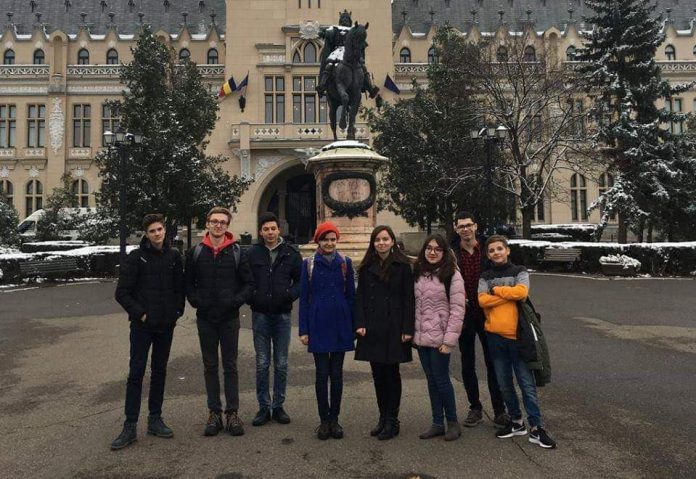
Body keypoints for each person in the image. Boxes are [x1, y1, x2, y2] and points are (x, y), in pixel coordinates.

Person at [112, 213, 184, 450]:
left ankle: (155, 418)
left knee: (159, 372)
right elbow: (122, 293)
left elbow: (179, 288)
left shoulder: (174, 256)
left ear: (165, 230)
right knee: (136, 373)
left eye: (159, 229)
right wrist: (141, 314)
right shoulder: (136, 258)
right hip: (142, 327)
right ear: (146, 234)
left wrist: (177, 312)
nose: (157, 234)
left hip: (165, 325)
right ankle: (130, 424)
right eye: (152, 231)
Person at [478, 235, 557, 449]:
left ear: (507, 250)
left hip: (518, 337)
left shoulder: (519, 271)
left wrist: (497, 291)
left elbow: (522, 293)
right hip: (495, 337)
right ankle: (516, 422)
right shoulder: (485, 275)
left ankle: (536, 427)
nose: (496, 253)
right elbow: (482, 300)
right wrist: (508, 295)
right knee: (504, 384)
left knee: (526, 384)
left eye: (499, 249)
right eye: (491, 250)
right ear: (488, 255)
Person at [185, 206, 254, 438]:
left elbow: (248, 283)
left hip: (229, 318)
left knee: (230, 366)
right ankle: (214, 412)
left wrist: (235, 302)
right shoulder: (196, 252)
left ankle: (232, 413)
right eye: (214, 221)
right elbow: (188, 283)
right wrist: (196, 301)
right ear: (207, 223)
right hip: (205, 318)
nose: (218, 225)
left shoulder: (237, 252)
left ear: (227, 226)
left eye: (222, 222)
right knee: (210, 366)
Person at [354, 225, 415, 441]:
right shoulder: (366, 267)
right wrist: (360, 323)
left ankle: (392, 420)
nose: (381, 243)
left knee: (392, 374)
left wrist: (408, 328)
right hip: (373, 327)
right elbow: (360, 297)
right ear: (373, 243)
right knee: (378, 375)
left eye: (385, 239)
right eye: (378, 240)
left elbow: (409, 299)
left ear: (392, 242)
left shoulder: (403, 266)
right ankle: (382, 417)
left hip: (394, 327)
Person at [450, 211, 508, 428]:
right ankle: (475, 407)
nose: (465, 229)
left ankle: (499, 409)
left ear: (475, 226)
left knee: (493, 362)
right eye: (461, 226)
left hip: (488, 313)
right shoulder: (452, 252)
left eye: (468, 225)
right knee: (467, 363)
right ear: (456, 229)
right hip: (464, 315)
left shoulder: (487, 248)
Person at [299, 221, 355, 440]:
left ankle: (335, 419)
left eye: (333, 239)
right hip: (318, 323)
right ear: (319, 241)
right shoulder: (309, 264)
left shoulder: (345, 263)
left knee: (337, 374)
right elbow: (304, 299)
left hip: (340, 322)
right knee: (322, 374)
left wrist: (353, 326)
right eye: (325, 239)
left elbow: (351, 297)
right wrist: (304, 329)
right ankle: (324, 420)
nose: (330, 243)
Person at [247, 212, 302, 426]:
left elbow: (300, 281)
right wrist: (253, 297)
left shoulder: (291, 253)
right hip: (260, 314)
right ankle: (264, 407)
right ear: (260, 232)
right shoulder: (252, 253)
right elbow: (246, 279)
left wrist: (289, 295)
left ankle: (278, 406)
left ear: (279, 230)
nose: (270, 232)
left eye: (273, 228)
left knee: (281, 363)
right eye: (266, 229)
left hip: (282, 314)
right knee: (262, 363)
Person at [413, 234, 466, 441]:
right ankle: (437, 422)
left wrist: (449, 341)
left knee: (442, 379)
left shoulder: (452, 274)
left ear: (444, 252)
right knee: (431, 380)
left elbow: (458, 310)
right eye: (429, 248)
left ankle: (452, 422)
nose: (432, 252)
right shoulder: (419, 272)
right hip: (422, 337)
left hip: (441, 337)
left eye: (437, 249)